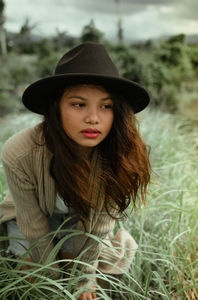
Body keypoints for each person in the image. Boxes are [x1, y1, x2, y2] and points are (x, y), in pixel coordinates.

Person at [0, 42, 151, 299]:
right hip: (29, 217)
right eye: (79, 105)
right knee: (31, 274)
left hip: (80, 221)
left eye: (106, 106)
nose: (93, 118)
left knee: (81, 272)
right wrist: (50, 278)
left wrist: (84, 277)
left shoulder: (121, 155)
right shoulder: (19, 152)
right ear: (56, 108)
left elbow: (100, 227)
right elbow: (32, 225)